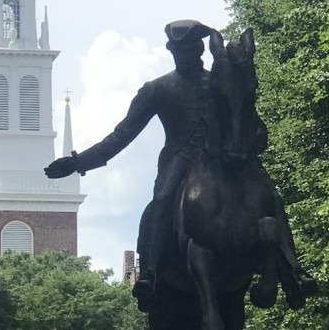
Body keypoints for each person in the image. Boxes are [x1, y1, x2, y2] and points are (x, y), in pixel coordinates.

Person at [44, 19, 311, 311]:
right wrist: (79, 161)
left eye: (190, 49)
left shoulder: (219, 81)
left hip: (222, 159)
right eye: (178, 50)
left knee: (269, 196)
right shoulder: (157, 89)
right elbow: (122, 136)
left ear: (200, 49)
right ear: (171, 51)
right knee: (160, 202)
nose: (185, 55)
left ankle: (292, 272)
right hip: (179, 159)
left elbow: (245, 117)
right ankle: (151, 274)